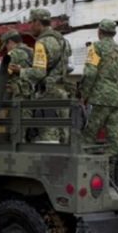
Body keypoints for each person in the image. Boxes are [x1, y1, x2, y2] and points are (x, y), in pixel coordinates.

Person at [79, 19, 118, 181]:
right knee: (115, 138)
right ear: (114, 33)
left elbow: (89, 74)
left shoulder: (94, 48)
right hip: (117, 100)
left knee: (89, 135)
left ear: (99, 32)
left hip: (98, 99)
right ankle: (111, 175)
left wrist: (84, 95)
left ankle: (87, 174)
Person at [29, 8, 72, 143]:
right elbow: (70, 66)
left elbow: (39, 72)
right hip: (62, 91)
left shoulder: (42, 43)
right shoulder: (63, 40)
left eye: (31, 22)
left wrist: (21, 71)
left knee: (48, 136)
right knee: (63, 135)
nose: (30, 26)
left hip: (48, 95)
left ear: (37, 22)